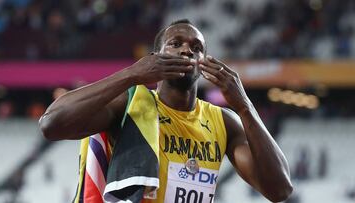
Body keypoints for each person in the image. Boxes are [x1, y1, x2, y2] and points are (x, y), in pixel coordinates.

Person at [39, 19, 293, 202]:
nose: (186, 50)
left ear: (203, 62)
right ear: (154, 57)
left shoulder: (223, 120)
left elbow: (279, 190)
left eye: (196, 48)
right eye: (175, 44)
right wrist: (131, 75)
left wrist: (245, 106)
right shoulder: (129, 105)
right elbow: (51, 124)